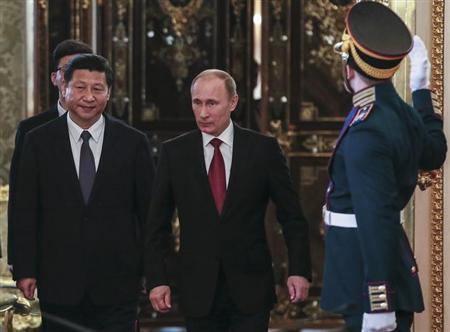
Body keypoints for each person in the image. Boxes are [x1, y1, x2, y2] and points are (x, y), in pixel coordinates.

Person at [145, 69, 311, 332]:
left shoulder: (263, 150)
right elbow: (156, 225)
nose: (203, 113)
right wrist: (156, 279)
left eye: (212, 103)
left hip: (251, 289)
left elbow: (292, 217)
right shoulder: (175, 153)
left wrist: (299, 270)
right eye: (197, 103)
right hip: (198, 289)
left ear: (233, 103)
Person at [321, 2, 447, 332]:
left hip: (367, 274)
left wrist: (379, 302)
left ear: (349, 67)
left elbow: (375, 216)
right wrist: (421, 90)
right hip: (377, 265)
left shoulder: (368, 130)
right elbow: (434, 153)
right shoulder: (400, 111)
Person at [12, 54, 155, 332]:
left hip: (118, 284)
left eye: (97, 88)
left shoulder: (133, 143)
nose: (88, 96)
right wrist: (25, 269)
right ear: (63, 88)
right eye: (80, 87)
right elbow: (25, 210)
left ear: (109, 93)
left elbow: (149, 214)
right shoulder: (38, 142)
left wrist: (154, 274)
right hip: (59, 282)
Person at [7, 39, 93, 267]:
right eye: (68, 72)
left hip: (106, 256)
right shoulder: (31, 130)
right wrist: (20, 261)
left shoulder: (119, 132)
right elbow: (20, 200)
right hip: (52, 254)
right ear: (55, 78)